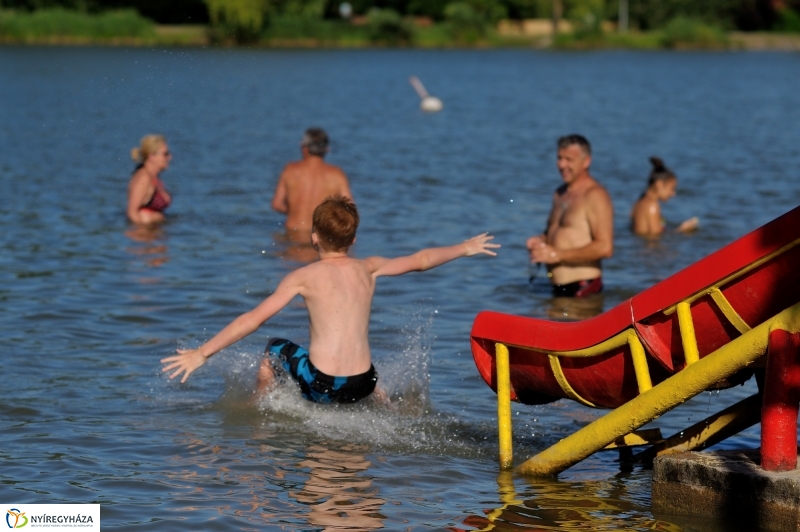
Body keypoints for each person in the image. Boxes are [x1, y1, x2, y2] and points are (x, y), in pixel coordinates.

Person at [161, 195, 499, 404]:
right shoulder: (369, 268)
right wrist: (464, 248)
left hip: (324, 385)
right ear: (353, 240)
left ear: (313, 237)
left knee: (273, 348)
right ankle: (384, 403)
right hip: (363, 384)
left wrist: (202, 353)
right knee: (362, 362)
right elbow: (421, 260)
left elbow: (253, 319)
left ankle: (258, 405)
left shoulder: (302, 277)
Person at [526, 135, 613, 298]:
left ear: (586, 161)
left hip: (583, 290)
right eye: (559, 158)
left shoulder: (595, 195)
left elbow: (605, 247)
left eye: (568, 159)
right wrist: (540, 241)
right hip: (557, 289)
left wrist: (558, 255)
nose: (561, 165)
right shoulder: (559, 194)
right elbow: (556, 233)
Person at [271, 128, 353, 243]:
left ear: (304, 147)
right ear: (326, 149)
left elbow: (277, 204)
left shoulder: (290, 170)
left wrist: (296, 210)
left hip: (293, 234)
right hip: (322, 236)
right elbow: (349, 209)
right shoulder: (336, 174)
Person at [630, 157, 698, 236]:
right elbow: (656, 239)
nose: (673, 193)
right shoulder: (652, 206)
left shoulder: (638, 202)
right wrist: (681, 230)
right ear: (659, 184)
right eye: (671, 188)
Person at [127, 135, 172, 225]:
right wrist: (142, 232)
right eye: (165, 154)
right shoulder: (144, 178)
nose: (170, 157)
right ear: (152, 156)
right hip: (144, 235)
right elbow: (131, 213)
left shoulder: (153, 177)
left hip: (154, 234)